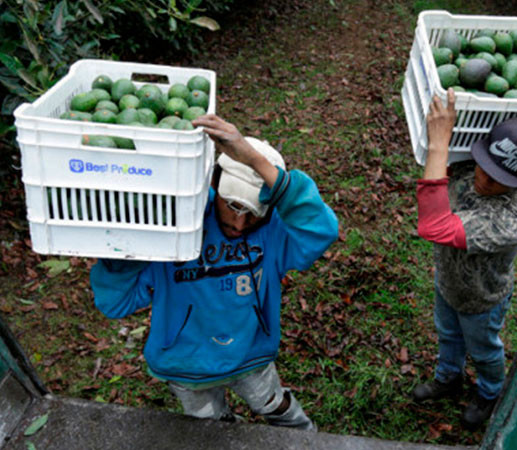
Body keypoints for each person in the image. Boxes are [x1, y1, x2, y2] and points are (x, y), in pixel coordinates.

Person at [90, 114, 338, 429]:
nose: (239, 224)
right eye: (233, 205)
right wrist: (126, 245)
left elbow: (322, 230)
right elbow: (115, 302)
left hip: (251, 357)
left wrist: (253, 159)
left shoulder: (275, 233)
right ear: (214, 182)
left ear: (272, 207)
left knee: (277, 408)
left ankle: (307, 438)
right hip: (186, 364)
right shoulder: (178, 223)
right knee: (213, 429)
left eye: (253, 213)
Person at [411, 89, 517, 428]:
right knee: (447, 334)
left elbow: (433, 226)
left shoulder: (514, 220)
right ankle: (449, 376)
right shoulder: (474, 166)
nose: (482, 179)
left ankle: (490, 392)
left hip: (481, 300)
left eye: (498, 178)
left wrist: (439, 144)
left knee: (485, 349)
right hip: (448, 281)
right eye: (483, 166)